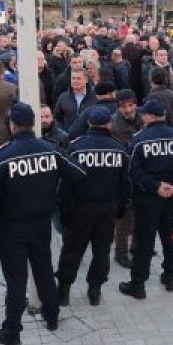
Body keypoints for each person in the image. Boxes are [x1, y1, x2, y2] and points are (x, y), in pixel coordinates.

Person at [0, 103, 85, 345]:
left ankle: (12, 333)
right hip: (41, 223)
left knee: (16, 280)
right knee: (44, 270)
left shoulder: (3, 155)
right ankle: (52, 317)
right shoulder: (51, 150)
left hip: (11, 226)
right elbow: (78, 174)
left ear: (12, 125)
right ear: (33, 124)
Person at [119, 98, 173, 299]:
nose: (142, 116)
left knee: (144, 241)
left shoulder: (138, 140)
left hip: (147, 198)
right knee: (171, 238)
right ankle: (170, 276)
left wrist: (155, 186)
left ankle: (138, 284)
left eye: (144, 114)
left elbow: (132, 170)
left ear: (150, 117)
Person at [56, 107, 131, 307]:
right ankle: (94, 290)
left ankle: (63, 290)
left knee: (72, 250)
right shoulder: (119, 148)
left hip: (79, 208)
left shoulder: (76, 147)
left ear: (88, 123)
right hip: (107, 209)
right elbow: (126, 184)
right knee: (102, 251)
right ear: (109, 124)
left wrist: (63, 211)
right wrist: (122, 208)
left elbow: (66, 184)